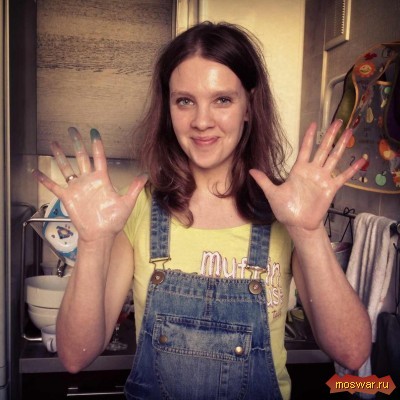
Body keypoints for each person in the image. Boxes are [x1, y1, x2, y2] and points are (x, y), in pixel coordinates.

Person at [33, 21, 372, 400]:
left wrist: (309, 234)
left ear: (248, 107)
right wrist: (94, 242)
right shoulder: (138, 208)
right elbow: (75, 356)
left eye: (222, 100)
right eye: (184, 101)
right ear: (168, 108)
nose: (201, 121)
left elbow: (352, 352)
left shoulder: (288, 209)